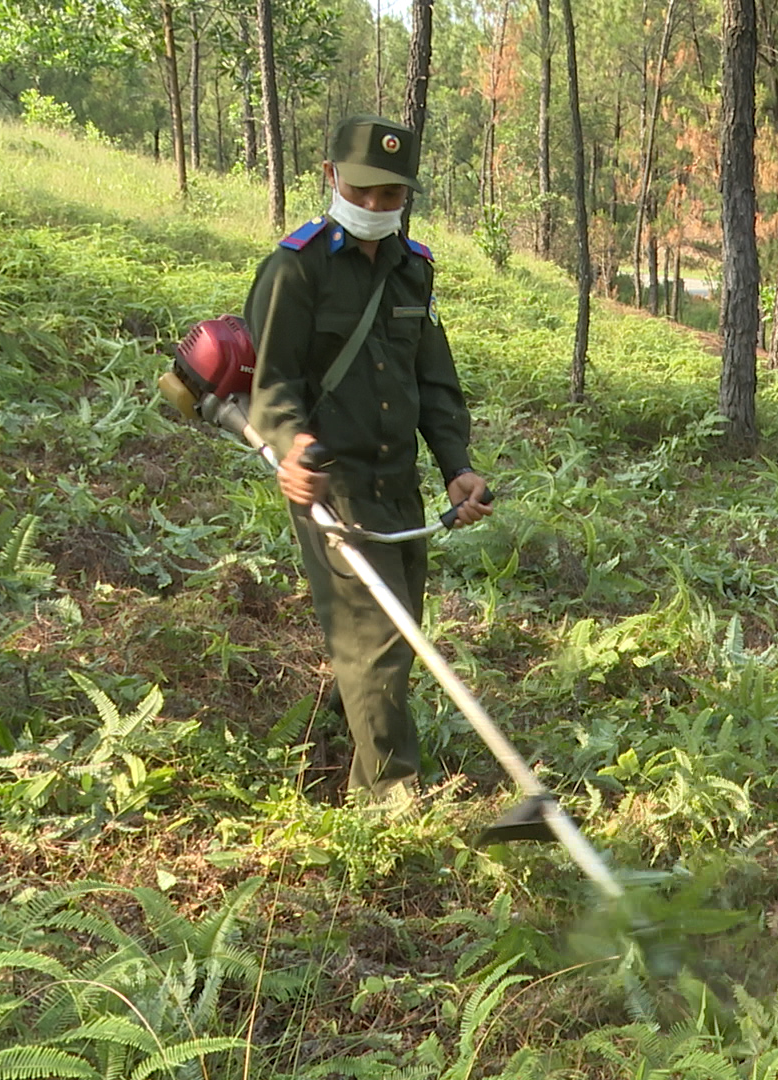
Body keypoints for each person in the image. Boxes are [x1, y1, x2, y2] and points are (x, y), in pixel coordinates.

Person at [246, 115, 492, 804]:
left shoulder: (413, 272)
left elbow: (435, 383)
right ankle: (391, 802)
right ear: (333, 178)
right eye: (366, 191)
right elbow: (272, 384)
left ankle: (334, 744)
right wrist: (291, 447)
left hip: (398, 481)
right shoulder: (296, 269)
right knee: (377, 641)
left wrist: (456, 466)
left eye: (392, 196)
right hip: (334, 486)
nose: (378, 206)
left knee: (395, 633)